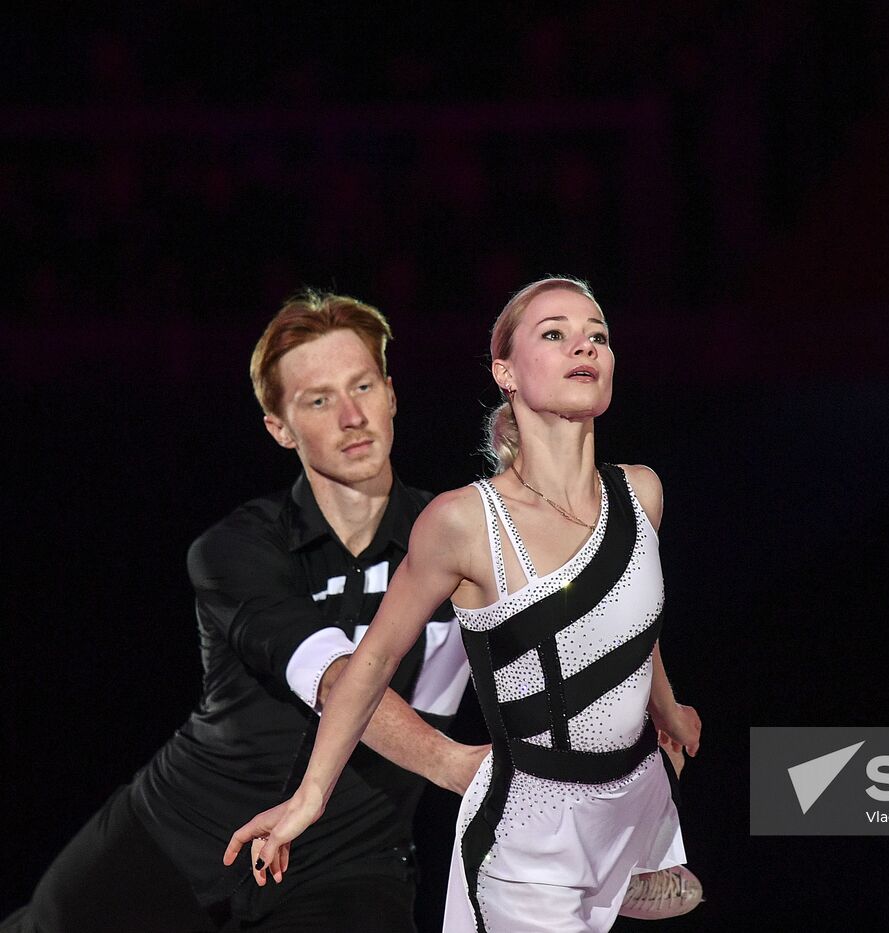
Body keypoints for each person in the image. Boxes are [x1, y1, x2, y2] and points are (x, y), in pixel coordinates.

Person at [225, 277, 702, 932]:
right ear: (505, 372)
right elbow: (371, 663)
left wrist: (666, 706)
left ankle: (626, 865)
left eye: (598, 335)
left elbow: (626, 613)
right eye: (555, 333)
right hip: (530, 837)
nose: (585, 346)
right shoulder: (465, 523)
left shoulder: (641, 493)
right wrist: (309, 798)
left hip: (633, 801)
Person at [2, 293, 480, 933]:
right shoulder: (236, 548)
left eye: (363, 386)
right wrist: (454, 765)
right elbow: (334, 679)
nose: (351, 416)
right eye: (318, 401)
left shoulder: (464, 541)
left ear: (391, 394)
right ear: (280, 428)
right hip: (174, 843)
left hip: (348, 869)